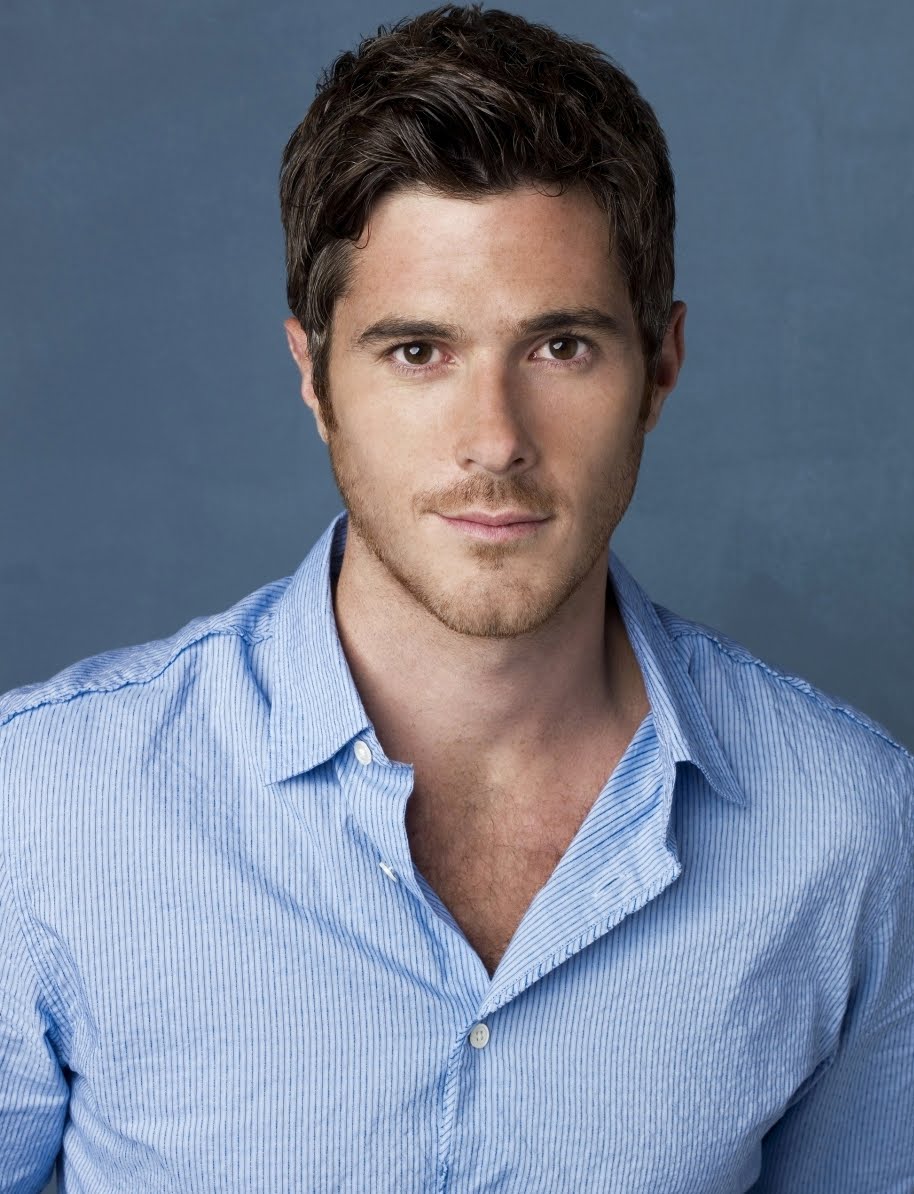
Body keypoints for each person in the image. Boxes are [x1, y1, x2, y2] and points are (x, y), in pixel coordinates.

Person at [2, 4, 911, 1191]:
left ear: (660, 366)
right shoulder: (44, 810)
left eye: (559, 347)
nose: (494, 440)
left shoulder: (846, 832)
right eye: (417, 351)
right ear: (314, 377)